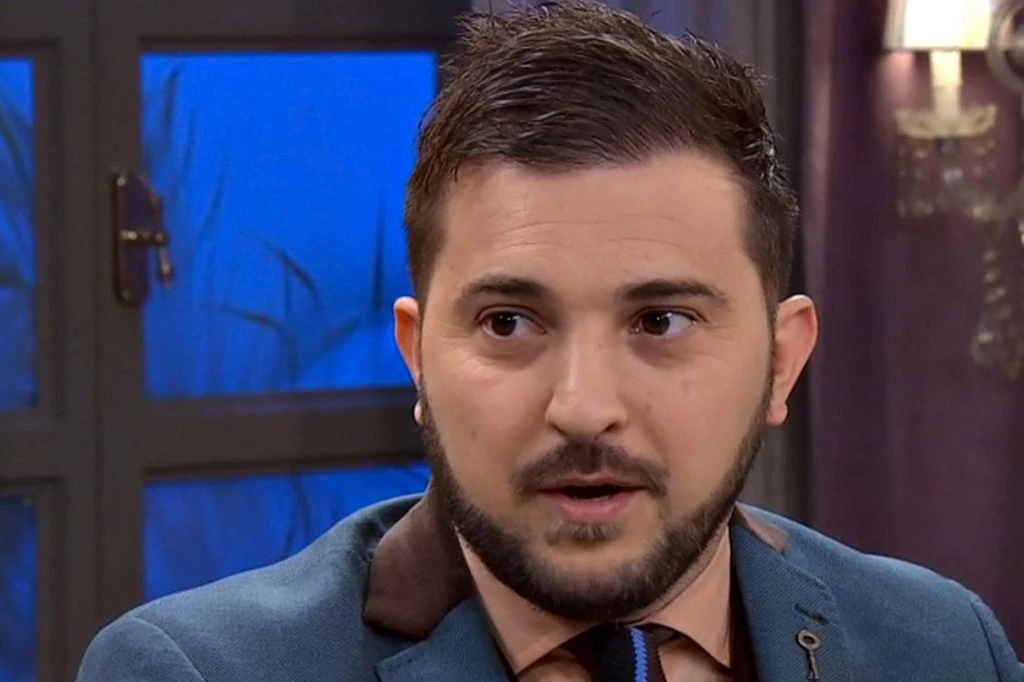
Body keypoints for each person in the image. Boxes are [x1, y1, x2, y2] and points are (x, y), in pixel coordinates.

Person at [78, 2, 1024, 681]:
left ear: (782, 361)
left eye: (661, 321)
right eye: (509, 323)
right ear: (417, 356)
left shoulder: (943, 646)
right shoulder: (195, 669)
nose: (582, 407)